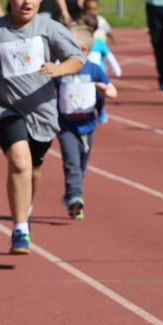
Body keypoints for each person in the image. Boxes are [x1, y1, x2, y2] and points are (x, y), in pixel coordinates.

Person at [0, 0, 84, 255]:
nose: (26, 1)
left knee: (34, 167)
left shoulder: (49, 28)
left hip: (41, 111)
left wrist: (58, 68)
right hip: (6, 109)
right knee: (20, 161)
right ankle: (20, 228)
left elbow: (77, 58)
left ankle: (25, 208)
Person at [56, 26, 118, 220]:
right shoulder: (60, 70)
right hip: (65, 125)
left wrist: (105, 90)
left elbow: (113, 90)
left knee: (82, 164)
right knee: (71, 161)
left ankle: (71, 194)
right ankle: (75, 196)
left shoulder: (94, 69)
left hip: (88, 125)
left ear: (83, 50)